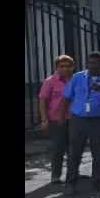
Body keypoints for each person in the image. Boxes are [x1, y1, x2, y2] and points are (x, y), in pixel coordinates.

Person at [59, 52, 100, 195]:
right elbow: (67, 97)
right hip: (78, 119)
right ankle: (70, 183)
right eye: (90, 62)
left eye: (95, 63)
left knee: (99, 152)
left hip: (98, 120)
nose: (91, 65)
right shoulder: (79, 77)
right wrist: (62, 116)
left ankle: (99, 180)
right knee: (74, 151)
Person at [38, 55, 75, 184]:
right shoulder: (50, 81)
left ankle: (73, 173)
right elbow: (43, 101)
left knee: (75, 147)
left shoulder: (77, 79)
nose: (65, 69)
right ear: (57, 68)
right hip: (56, 119)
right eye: (62, 66)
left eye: (68, 66)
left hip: (76, 118)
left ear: (73, 67)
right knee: (58, 148)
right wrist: (44, 120)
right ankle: (56, 175)